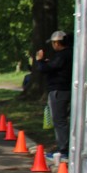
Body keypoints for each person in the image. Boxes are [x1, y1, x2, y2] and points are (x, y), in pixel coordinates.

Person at [35, 30, 73, 162]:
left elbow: (45, 69)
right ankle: (67, 148)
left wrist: (40, 61)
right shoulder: (70, 54)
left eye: (53, 43)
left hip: (59, 91)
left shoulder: (62, 55)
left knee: (59, 120)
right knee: (65, 120)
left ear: (57, 43)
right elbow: (54, 66)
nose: (52, 45)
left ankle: (64, 151)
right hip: (67, 89)